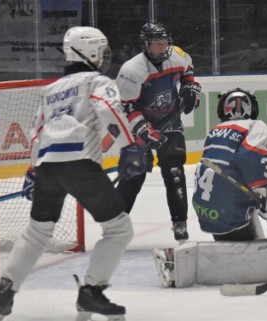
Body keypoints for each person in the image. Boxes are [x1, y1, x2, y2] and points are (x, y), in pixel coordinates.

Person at [0, 26, 146, 320]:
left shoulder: (51, 90)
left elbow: (37, 131)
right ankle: (92, 293)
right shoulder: (95, 81)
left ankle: (5, 290)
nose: (103, 58)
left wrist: (33, 170)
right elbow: (108, 108)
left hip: (48, 166)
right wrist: (129, 146)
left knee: (37, 232)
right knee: (119, 229)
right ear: (88, 52)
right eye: (100, 51)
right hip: (80, 162)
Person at [151, 88, 267, 288]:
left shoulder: (216, 131)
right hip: (230, 207)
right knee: (254, 252)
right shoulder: (256, 125)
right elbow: (249, 156)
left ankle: (185, 257)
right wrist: (264, 191)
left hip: (206, 209)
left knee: (234, 241)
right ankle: (177, 261)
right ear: (252, 108)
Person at [115, 22, 202, 243]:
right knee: (135, 174)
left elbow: (188, 73)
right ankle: (115, 224)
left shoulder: (179, 56)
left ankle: (179, 223)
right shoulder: (132, 70)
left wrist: (190, 88)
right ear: (146, 45)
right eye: (157, 43)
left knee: (174, 170)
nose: (163, 46)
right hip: (138, 125)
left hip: (169, 122)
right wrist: (144, 130)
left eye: (164, 41)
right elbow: (126, 106)